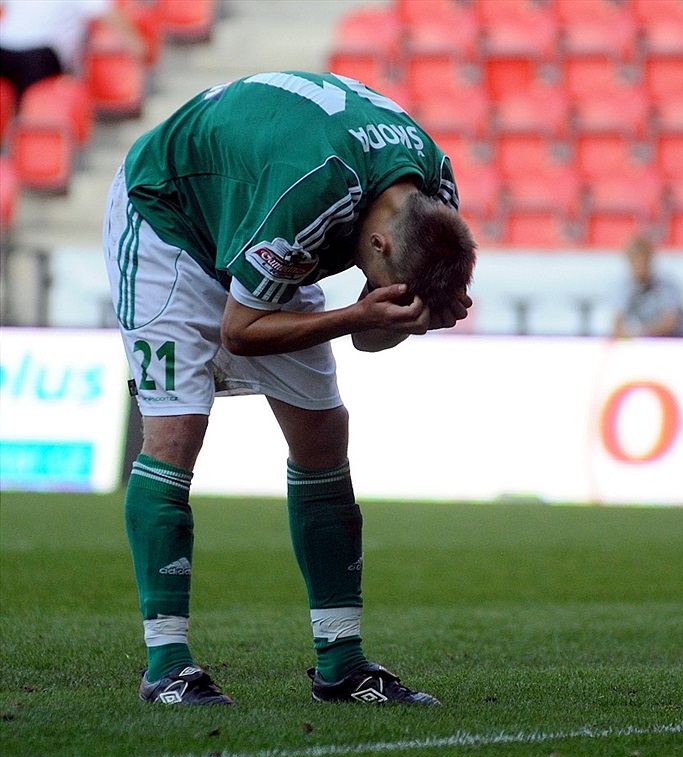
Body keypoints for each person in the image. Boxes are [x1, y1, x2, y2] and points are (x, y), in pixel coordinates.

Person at [102, 70, 476, 707]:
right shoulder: (311, 194)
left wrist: (411, 318)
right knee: (176, 431)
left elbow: (368, 338)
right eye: (389, 285)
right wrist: (357, 313)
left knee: (324, 431)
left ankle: (342, 664)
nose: (385, 296)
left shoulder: (434, 190)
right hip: (169, 217)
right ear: (379, 243)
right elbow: (243, 331)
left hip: (261, 214)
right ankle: (166, 666)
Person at [0, 0, 144, 101]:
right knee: (35, 110)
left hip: (6, 48)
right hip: (40, 53)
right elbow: (106, 11)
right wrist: (137, 43)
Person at [612, 234, 683, 339]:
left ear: (650, 260)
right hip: (652, 341)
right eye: (635, 261)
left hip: (681, 339)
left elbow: (669, 322)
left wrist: (640, 336)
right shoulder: (624, 287)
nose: (639, 266)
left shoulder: (666, 285)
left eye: (642, 260)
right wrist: (629, 336)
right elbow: (616, 321)